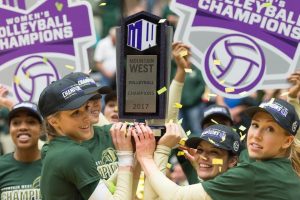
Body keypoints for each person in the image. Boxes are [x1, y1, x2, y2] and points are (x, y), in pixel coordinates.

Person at [135, 98, 300, 199]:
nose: (256, 135)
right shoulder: (288, 167)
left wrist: (145, 157)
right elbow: (171, 122)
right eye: (255, 125)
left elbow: (177, 196)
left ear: (287, 141)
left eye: (270, 129)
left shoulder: (252, 173)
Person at [38, 78, 133, 199]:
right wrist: (126, 155)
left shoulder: (56, 148)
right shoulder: (74, 154)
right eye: (76, 113)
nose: (86, 117)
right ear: (54, 121)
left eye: (85, 109)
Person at [0, 101, 43, 199]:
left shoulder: (53, 164)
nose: (23, 127)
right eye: (16, 123)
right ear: (9, 128)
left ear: (41, 128)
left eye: (31, 122)